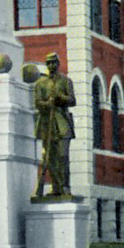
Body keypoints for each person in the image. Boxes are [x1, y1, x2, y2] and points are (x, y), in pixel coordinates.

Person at [33, 53, 76, 198]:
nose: (51, 65)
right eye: (48, 63)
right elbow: (37, 102)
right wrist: (46, 104)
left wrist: (59, 98)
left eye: (53, 62)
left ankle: (65, 186)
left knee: (63, 156)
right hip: (47, 122)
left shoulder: (66, 81)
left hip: (62, 121)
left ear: (58, 63)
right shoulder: (41, 83)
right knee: (50, 158)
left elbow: (72, 100)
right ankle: (55, 187)